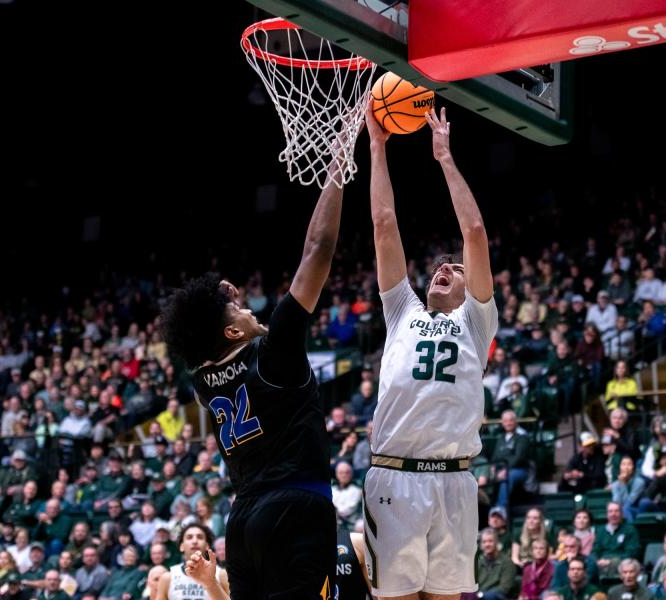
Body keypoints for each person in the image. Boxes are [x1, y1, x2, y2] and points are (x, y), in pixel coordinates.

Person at [162, 146, 355, 598]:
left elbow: (202, 341)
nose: (248, 307)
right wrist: (341, 160)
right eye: (237, 307)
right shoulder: (274, 354)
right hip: (297, 509)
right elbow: (318, 249)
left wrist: (216, 298)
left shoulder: (202, 383)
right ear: (230, 331)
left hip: (243, 522)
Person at [362, 105, 498, 600]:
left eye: (456, 269)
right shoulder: (402, 310)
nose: (446, 266)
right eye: (440, 266)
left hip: (455, 481)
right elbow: (383, 222)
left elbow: (475, 234)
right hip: (395, 478)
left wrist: (444, 157)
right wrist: (377, 147)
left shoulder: (476, 321)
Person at [156, 524, 228, 600]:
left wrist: (212, 583)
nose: (195, 541)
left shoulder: (222, 575)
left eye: (200, 537)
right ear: (181, 546)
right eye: (189, 537)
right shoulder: (167, 578)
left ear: (207, 546)